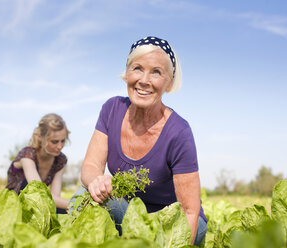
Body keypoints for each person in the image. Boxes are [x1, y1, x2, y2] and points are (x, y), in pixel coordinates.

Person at [71, 36, 207, 245]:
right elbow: (90, 166)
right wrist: (96, 180)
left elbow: (188, 211)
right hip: (132, 216)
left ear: (169, 82)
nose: (144, 80)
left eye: (156, 72)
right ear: (126, 74)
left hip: (171, 225)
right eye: (137, 68)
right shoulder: (112, 109)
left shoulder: (179, 132)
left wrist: (176, 242)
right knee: (84, 194)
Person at [6, 113, 70, 213]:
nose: (60, 146)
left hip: (38, 205)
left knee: (62, 213)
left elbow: (54, 198)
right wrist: (76, 205)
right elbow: (39, 192)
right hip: (15, 205)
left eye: (63, 141)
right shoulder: (28, 154)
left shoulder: (60, 159)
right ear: (40, 137)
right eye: (54, 142)